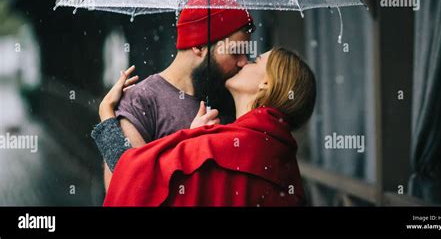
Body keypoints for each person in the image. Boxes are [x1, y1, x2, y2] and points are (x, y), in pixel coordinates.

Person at [92, 47, 316, 206]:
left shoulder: (217, 148)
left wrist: (106, 116)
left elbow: (134, 184)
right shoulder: (283, 160)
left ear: (265, 83)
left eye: (256, 60)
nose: (244, 61)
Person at [101, 0, 255, 189]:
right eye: (235, 51)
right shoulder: (140, 101)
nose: (244, 62)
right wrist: (190, 146)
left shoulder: (232, 96)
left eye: (246, 52)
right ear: (199, 46)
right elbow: (126, 189)